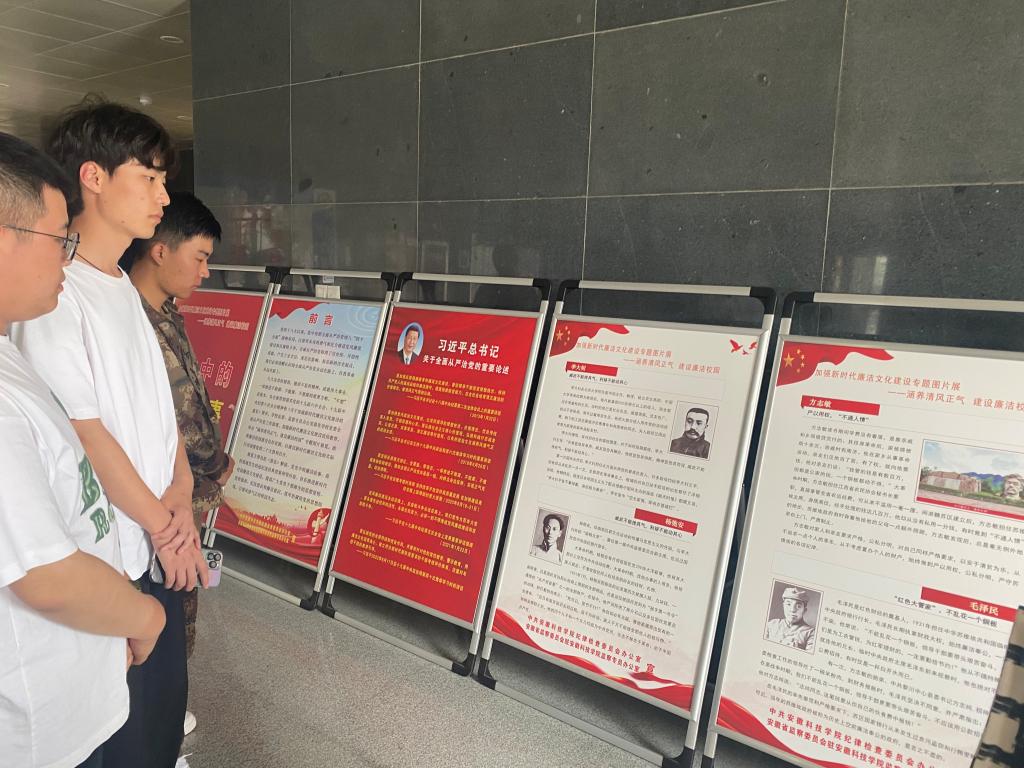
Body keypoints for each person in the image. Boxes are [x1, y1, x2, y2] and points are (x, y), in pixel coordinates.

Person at [11, 97, 208, 768]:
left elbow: (157, 408)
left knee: (157, 725)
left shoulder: (122, 282)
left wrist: (179, 499)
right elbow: (85, 433)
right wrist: (163, 526)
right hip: (113, 560)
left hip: (154, 543)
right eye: (148, 177)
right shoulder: (51, 294)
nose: (162, 196)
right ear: (92, 177)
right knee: (123, 735)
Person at [121, 192, 234, 737]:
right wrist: (213, 464)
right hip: (156, 501)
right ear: (161, 250)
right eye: (200, 256)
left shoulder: (163, 310)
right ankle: (146, 719)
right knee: (155, 612)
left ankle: (164, 709)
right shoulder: (129, 319)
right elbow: (174, 416)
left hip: (186, 494)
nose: (205, 271)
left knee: (180, 605)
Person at [764, 587, 816, 652]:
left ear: (804, 610)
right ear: (783, 606)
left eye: (798, 606)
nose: (792, 610)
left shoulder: (811, 633)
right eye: (788, 604)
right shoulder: (771, 624)